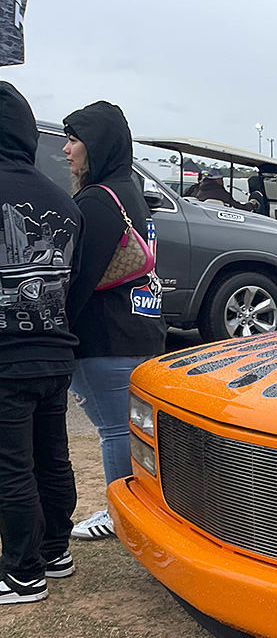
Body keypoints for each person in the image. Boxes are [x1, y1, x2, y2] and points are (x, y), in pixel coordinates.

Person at [62, 100, 167, 540]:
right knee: (132, 430)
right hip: (140, 328)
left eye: (74, 140)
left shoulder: (97, 200)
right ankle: (141, 508)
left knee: (114, 431)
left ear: (97, 144)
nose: (66, 150)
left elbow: (79, 278)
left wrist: (58, 330)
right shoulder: (131, 192)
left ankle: (116, 510)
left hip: (106, 336)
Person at [0, 83, 82, 603]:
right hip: (55, 349)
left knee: (11, 465)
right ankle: (55, 550)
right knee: (52, 456)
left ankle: (21, 572)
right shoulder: (62, 200)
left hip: (6, 357)